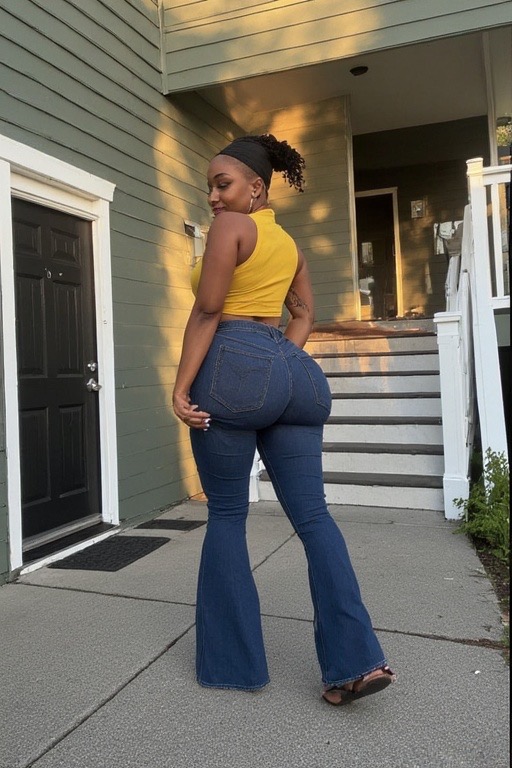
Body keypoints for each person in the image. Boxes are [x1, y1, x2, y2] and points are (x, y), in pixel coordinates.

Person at [172, 133, 395, 705]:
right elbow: (304, 314)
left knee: (227, 515)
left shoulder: (231, 227)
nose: (214, 198)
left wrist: (180, 385)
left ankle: (234, 665)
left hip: (232, 365)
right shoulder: (288, 244)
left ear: (255, 187)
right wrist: (279, 362)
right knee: (314, 517)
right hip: (294, 375)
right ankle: (358, 663)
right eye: (210, 189)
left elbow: (208, 309)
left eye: (222, 185)